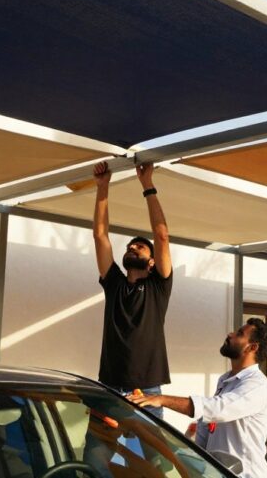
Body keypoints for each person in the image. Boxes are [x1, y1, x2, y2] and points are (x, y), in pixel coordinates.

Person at [129, 318, 267, 478]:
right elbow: (208, 425)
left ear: (252, 347)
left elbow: (217, 409)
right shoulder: (226, 380)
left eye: (239, 334)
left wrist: (161, 399)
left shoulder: (257, 386)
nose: (231, 334)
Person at [92, 160, 173, 415]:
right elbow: (100, 235)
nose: (132, 247)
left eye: (139, 246)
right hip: (109, 386)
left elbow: (162, 236)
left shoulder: (158, 285)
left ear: (151, 261)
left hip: (147, 390)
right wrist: (103, 187)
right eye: (129, 246)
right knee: (97, 454)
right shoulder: (114, 282)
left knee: (151, 456)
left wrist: (147, 184)